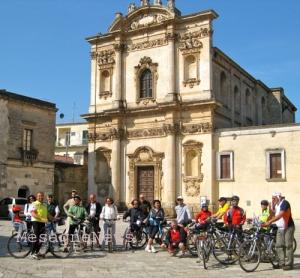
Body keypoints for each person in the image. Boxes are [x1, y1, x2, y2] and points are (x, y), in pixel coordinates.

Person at [262, 191, 295, 271]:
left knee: (288, 246)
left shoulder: (284, 203)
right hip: (280, 228)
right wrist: (270, 207)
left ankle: (289, 263)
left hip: (288, 227)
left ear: (278, 197)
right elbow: (272, 214)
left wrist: (270, 222)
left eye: (274, 198)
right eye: (272, 198)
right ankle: (281, 262)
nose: (273, 199)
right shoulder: (276, 205)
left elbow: (280, 215)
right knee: (279, 245)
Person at [30, 192, 54, 260]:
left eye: (41, 196)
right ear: (37, 197)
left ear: (43, 197)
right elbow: (33, 213)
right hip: (36, 222)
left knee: (42, 238)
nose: (40, 197)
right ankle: (32, 253)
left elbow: (47, 213)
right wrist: (42, 218)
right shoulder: (34, 203)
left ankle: (37, 252)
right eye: (39, 196)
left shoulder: (44, 204)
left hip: (42, 223)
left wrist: (53, 218)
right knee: (36, 238)